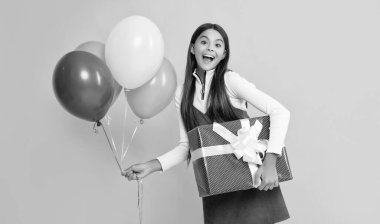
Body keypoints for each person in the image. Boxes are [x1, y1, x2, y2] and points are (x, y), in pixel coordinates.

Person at [122, 23, 291, 224]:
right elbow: (187, 147)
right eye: (204, 42)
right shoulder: (182, 93)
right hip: (216, 187)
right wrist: (151, 166)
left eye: (218, 45)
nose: (211, 48)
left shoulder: (230, 81)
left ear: (223, 54)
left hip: (252, 181)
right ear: (193, 48)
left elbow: (281, 112)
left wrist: (270, 162)